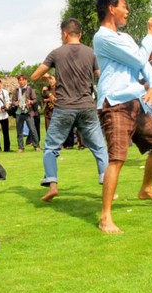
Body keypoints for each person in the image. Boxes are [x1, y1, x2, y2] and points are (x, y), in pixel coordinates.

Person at [93, 0, 152, 234]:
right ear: (111, 8)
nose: (127, 11)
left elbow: (144, 64)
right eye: (124, 6)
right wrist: (151, 34)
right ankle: (105, 217)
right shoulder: (103, 37)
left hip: (135, 103)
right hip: (114, 104)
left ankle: (146, 188)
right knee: (117, 159)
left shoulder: (124, 37)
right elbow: (139, 59)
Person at [31, 18, 109, 202]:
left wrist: (48, 77)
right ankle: (108, 186)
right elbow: (102, 77)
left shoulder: (56, 53)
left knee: (51, 147)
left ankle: (52, 184)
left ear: (64, 34)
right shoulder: (91, 53)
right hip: (87, 107)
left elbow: (34, 75)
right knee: (99, 147)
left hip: (64, 107)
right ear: (80, 34)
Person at [11, 74, 40, 152]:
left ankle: (36, 146)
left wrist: (30, 101)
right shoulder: (16, 90)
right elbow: (13, 101)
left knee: (32, 129)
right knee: (19, 130)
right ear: (18, 81)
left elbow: (35, 100)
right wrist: (15, 103)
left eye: (23, 80)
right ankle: (20, 147)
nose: (21, 81)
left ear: (26, 80)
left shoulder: (30, 89)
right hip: (19, 112)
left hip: (28, 112)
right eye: (20, 80)